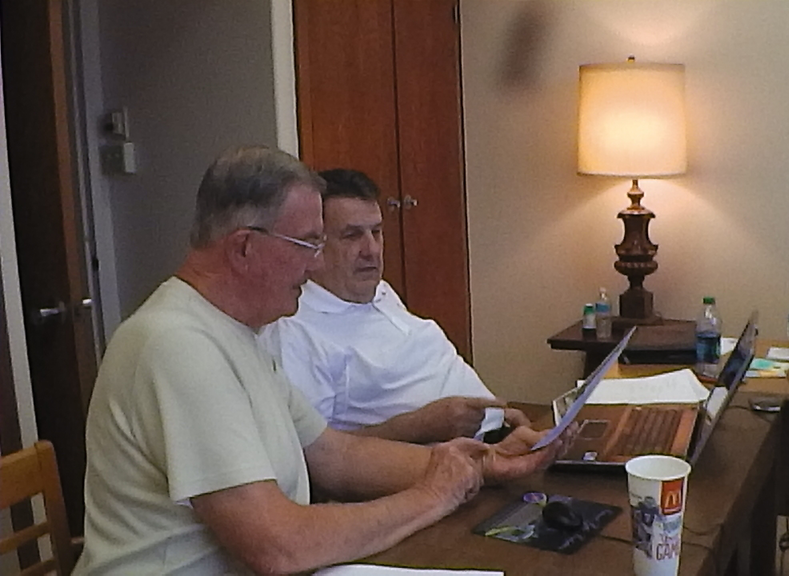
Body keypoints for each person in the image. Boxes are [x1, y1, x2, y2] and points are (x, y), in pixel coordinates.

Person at [74, 146, 568, 575]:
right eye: (308, 244)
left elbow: (334, 455)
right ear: (244, 247)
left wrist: (483, 462)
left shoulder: (242, 331)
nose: (315, 264)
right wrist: (431, 496)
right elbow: (277, 545)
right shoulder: (178, 346)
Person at [259, 169, 530, 444]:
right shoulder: (296, 330)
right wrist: (421, 426)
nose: (371, 250)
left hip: (500, 435)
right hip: (449, 467)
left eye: (376, 232)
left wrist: (502, 418)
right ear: (314, 244)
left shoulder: (378, 291)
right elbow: (314, 455)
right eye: (352, 236)